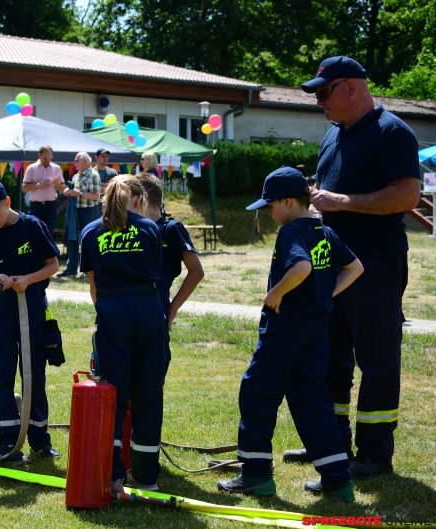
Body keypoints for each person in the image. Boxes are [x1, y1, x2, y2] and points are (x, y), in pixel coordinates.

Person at [282, 56, 421, 480]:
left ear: (350, 88)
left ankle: (375, 454)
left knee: (376, 358)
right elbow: (329, 192)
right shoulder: (333, 135)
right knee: (330, 355)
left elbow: (407, 196)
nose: (319, 101)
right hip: (333, 263)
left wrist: (341, 202)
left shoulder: (392, 132)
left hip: (376, 263)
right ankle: (331, 443)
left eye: (324, 92)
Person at [217, 167, 364, 501]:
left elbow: (302, 268)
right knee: (313, 401)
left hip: (284, 330)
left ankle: (255, 475)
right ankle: (337, 480)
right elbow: (355, 267)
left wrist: (276, 293)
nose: (269, 213)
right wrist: (325, 296)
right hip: (315, 332)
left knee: (257, 393)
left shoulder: (291, 232)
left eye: (270, 205)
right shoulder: (325, 232)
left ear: (287, 201)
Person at [80, 175, 167, 492]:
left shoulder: (90, 232)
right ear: (139, 200)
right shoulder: (150, 229)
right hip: (147, 310)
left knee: (113, 395)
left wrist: (109, 312)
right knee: (148, 392)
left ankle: (112, 474)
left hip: (112, 311)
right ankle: (146, 475)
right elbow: (153, 273)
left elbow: (94, 286)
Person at [0, 178, 60, 465]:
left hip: (31, 306)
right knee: (1, 372)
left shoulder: (32, 226)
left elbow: (53, 265)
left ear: (8, 202)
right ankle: (7, 440)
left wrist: (28, 279)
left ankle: (40, 439)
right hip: (1, 312)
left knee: (34, 373)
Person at [137, 174, 204, 344]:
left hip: (157, 315)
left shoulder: (171, 229)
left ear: (140, 199)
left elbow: (196, 271)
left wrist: (173, 308)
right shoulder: (132, 230)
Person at [56, 152, 101, 277]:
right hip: (75, 212)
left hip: (89, 212)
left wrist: (79, 193)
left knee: (87, 241)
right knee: (72, 239)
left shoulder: (93, 175)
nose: (74, 163)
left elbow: (96, 196)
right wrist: (62, 187)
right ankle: (71, 269)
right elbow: (72, 192)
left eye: (76, 160)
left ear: (85, 162)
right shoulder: (76, 176)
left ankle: (87, 270)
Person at [21, 145, 63, 239]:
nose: (47, 160)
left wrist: (57, 183)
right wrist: (39, 185)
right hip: (35, 205)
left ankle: (47, 249)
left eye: (50, 157)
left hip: (50, 206)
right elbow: (24, 188)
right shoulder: (31, 168)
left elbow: (63, 189)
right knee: (33, 232)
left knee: (48, 234)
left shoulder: (56, 168)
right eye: (45, 157)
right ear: (39, 155)